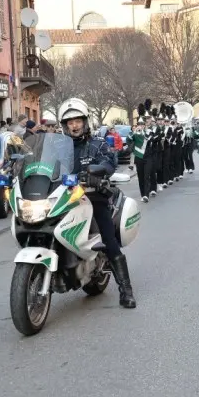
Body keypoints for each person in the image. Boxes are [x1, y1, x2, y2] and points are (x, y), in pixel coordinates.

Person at [58, 98, 135, 307]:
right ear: (64, 125)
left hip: (93, 197)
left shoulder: (97, 143)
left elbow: (109, 162)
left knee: (108, 240)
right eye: (69, 122)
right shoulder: (59, 147)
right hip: (64, 198)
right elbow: (44, 164)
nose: (74, 125)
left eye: (77, 121)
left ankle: (125, 290)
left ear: (85, 122)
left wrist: (97, 172)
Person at [128, 106, 152, 203]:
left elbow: (150, 139)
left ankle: (146, 195)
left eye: (142, 124)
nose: (141, 126)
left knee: (146, 176)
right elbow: (128, 140)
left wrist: (142, 132)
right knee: (141, 177)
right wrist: (134, 132)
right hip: (138, 157)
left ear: (145, 125)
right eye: (139, 124)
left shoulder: (149, 131)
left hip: (148, 157)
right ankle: (143, 194)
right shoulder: (135, 133)